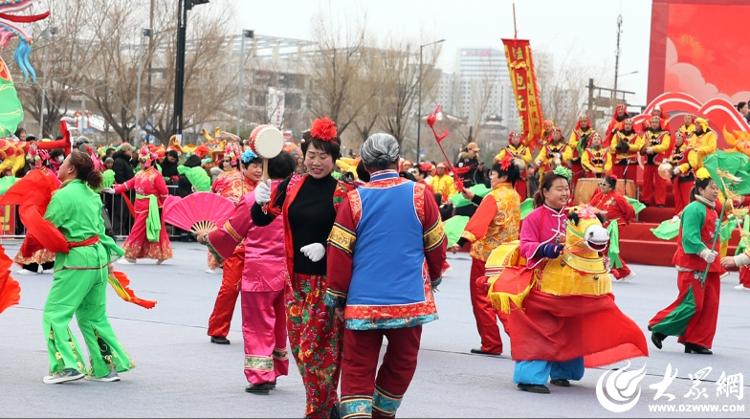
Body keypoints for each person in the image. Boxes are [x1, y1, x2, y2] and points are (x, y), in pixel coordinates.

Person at [325, 133, 446, 418]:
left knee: (357, 365)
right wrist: (435, 276)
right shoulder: (420, 194)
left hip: (362, 302)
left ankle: (357, 414)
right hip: (409, 300)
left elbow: (339, 251)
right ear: (398, 161)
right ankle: (382, 413)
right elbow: (437, 243)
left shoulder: (355, 200)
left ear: (365, 165)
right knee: (403, 361)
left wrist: (338, 297)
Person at [510, 169, 647, 393]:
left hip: (574, 284)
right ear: (545, 192)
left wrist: (599, 258)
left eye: (567, 188)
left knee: (572, 327)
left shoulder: (577, 215)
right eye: (559, 189)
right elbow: (525, 246)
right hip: (544, 285)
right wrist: (545, 248)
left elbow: (590, 241)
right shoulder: (534, 217)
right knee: (542, 329)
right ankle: (529, 376)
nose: (565, 193)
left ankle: (563, 371)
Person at [251, 117, 353, 418]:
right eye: (312, 155)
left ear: (334, 159)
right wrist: (259, 203)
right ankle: (329, 407)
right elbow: (262, 219)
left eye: (324, 156)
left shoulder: (344, 192)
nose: (317, 162)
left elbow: (354, 236)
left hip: (327, 286)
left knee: (317, 354)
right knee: (300, 352)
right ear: (304, 156)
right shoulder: (292, 185)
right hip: (295, 283)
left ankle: (318, 411)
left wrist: (327, 247)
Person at [203, 152, 296, 394]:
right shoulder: (296, 197)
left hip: (259, 270)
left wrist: (209, 238)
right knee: (279, 322)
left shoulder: (255, 197)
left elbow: (230, 233)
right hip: (287, 270)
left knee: (258, 323)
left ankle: (260, 375)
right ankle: (274, 369)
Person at [41, 151, 132, 384]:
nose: (59, 167)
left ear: (71, 170)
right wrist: (110, 262)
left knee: (55, 313)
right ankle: (105, 366)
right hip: (98, 259)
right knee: (94, 316)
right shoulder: (91, 194)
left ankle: (67, 365)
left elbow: (48, 227)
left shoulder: (63, 196)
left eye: (63, 164)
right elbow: (100, 231)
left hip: (76, 260)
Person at [648, 168, 724, 355]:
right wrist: (704, 251)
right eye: (712, 188)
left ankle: (696, 341)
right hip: (694, 263)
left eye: (717, 188)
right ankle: (660, 326)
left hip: (710, 264)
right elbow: (689, 237)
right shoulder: (693, 209)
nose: (715, 191)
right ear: (700, 189)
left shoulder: (713, 209)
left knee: (710, 305)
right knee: (693, 303)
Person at [454, 153, 520, 355]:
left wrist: (461, 242)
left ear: (502, 176)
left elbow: (480, 221)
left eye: (493, 174)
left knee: (483, 300)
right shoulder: (514, 195)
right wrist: (472, 197)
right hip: (508, 256)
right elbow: (494, 209)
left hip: (486, 257)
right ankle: (521, 340)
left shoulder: (493, 196)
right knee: (504, 299)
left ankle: (491, 343)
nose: (490, 177)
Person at [205, 148, 261, 345]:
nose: (258, 170)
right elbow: (220, 210)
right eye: (254, 166)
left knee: (258, 293)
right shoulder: (233, 186)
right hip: (236, 247)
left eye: (261, 166)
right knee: (230, 287)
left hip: (259, 248)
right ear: (244, 166)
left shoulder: (265, 187)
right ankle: (218, 329)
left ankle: (258, 332)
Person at [113, 146, 172, 263]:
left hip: (150, 207)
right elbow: (128, 184)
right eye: (140, 161)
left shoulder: (156, 175)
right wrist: (115, 190)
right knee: (148, 230)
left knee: (138, 230)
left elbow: (164, 192)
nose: (140, 163)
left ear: (150, 161)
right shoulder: (139, 173)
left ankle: (130, 255)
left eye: (143, 161)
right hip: (139, 206)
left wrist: (164, 206)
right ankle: (161, 254)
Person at [14, 146, 58, 275]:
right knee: (40, 236)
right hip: (36, 208)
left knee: (36, 236)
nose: (32, 164)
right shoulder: (46, 174)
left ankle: (32, 266)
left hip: (42, 210)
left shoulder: (47, 174)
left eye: (33, 161)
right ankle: (46, 264)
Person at [590, 175, 636, 280]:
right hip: (603, 225)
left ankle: (621, 271)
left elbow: (629, 211)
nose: (601, 186)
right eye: (600, 184)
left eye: (604, 184)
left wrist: (624, 221)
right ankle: (620, 272)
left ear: (611, 187)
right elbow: (590, 206)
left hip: (615, 225)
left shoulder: (618, 198)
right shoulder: (599, 195)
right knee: (604, 248)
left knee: (608, 248)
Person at [641, 115, 671, 207]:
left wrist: (653, 149)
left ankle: (660, 202)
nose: (654, 124)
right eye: (652, 122)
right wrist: (643, 148)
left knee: (660, 183)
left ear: (660, 123)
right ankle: (646, 200)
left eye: (656, 122)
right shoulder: (646, 133)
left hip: (659, 162)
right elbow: (641, 145)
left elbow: (665, 146)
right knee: (646, 182)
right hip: (647, 161)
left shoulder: (665, 134)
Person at [495, 131, 532, 200]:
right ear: (510, 139)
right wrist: (508, 160)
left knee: (522, 195)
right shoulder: (506, 149)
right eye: (514, 138)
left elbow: (529, 159)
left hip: (522, 177)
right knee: (509, 195)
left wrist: (521, 157)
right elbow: (498, 158)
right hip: (510, 177)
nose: (516, 139)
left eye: (517, 137)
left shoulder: (525, 149)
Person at [609, 118, 643, 184]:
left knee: (631, 182)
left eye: (629, 124)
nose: (627, 126)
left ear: (632, 126)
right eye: (626, 124)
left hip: (631, 162)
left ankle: (630, 194)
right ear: (623, 125)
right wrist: (618, 147)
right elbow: (612, 146)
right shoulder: (617, 135)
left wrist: (628, 146)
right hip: (618, 161)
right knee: (617, 181)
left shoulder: (636, 136)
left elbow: (638, 147)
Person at [668, 131, 695, 215]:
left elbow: (692, 163)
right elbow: (671, 160)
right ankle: (678, 218)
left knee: (687, 201)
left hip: (687, 179)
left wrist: (680, 167)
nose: (677, 140)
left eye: (679, 138)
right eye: (676, 138)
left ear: (683, 139)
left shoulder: (688, 150)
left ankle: (688, 217)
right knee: (678, 201)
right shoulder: (674, 150)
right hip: (677, 179)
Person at [568, 114, 595, 184]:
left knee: (589, 178)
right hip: (577, 158)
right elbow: (571, 143)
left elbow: (595, 144)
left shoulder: (592, 133)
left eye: (585, 121)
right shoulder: (575, 132)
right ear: (579, 123)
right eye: (581, 121)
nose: (583, 123)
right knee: (576, 178)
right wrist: (580, 142)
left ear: (588, 122)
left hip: (589, 159)